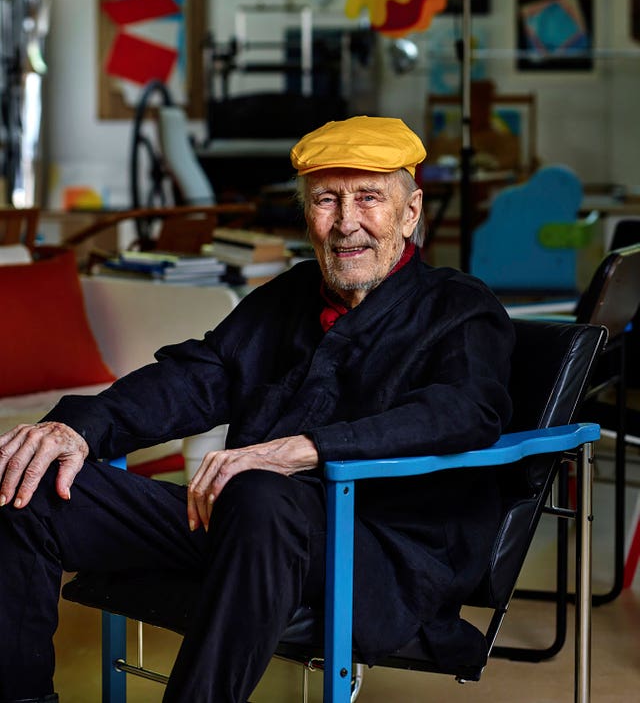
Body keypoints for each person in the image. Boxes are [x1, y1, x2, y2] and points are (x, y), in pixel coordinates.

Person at [0, 115, 515, 703]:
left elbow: (464, 411)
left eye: (369, 198)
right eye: (327, 200)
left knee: (258, 488)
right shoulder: (288, 296)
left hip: (379, 557)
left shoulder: (458, 307)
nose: (347, 224)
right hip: (242, 526)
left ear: (410, 211)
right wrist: (79, 427)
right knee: (26, 481)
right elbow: (196, 378)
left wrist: (307, 449)